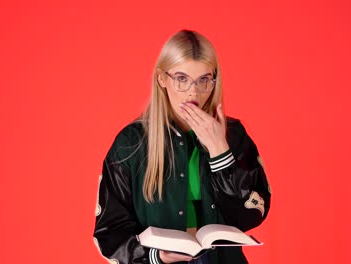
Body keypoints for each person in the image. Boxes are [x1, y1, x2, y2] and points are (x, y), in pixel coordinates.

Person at [93, 29, 271, 264]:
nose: (193, 92)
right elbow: (109, 232)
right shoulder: (131, 143)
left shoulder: (233, 134)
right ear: (162, 79)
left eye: (203, 79)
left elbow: (251, 216)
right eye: (182, 79)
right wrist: (154, 256)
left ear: (214, 80)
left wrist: (221, 152)